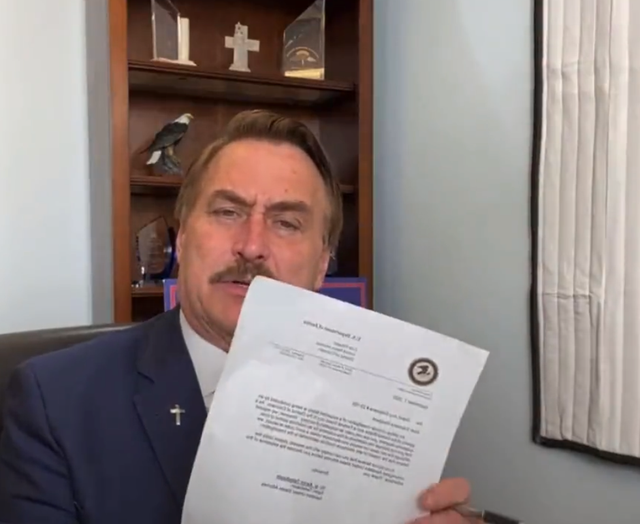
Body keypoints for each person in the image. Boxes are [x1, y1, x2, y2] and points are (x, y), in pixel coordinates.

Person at [0, 110, 475, 524]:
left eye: (286, 222)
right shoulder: (52, 402)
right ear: (183, 238)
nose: (251, 246)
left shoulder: (383, 411)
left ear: (321, 265)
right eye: (228, 212)